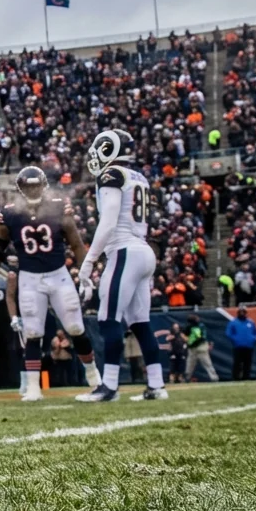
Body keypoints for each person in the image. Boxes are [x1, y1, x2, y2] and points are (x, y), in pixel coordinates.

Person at [0, 166, 102, 402]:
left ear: (43, 185)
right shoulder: (10, 212)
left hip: (58, 274)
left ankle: (95, 379)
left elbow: (76, 243)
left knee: (75, 328)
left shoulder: (58, 205)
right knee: (32, 332)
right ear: (20, 188)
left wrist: (85, 273)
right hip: (29, 278)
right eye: (28, 186)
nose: (32, 189)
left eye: (36, 185)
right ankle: (32, 388)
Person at [76, 130, 169, 402]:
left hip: (124, 250)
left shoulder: (112, 175)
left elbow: (108, 222)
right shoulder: (138, 176)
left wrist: (89, 261)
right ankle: (156, 385)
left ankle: (109, 387)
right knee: (141, 323)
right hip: (143, 250)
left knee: (108, 320)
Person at [225, 307, 256, 381]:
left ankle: (246, 377)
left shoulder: (250, 322)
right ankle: (236, 377)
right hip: (238, 346)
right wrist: (235, 339)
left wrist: (252, 339)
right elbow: (228, 333)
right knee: (237, 362)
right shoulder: (233, 322)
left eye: (243, 312)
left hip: (249, 346)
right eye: (240, 312)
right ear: (238, 313)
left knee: (247, 363)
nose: (242, 314)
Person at [184, 314, 219, 383]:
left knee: (207, 364)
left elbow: (203, 337)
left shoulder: (201, 326)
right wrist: (189, 343)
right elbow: (185, 334)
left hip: (201, 348)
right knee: (189, 365)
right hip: (192, 349)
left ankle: (214, 378)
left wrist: (195, 342)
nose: (197, 320)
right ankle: (187, 378)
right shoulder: (188, 327)